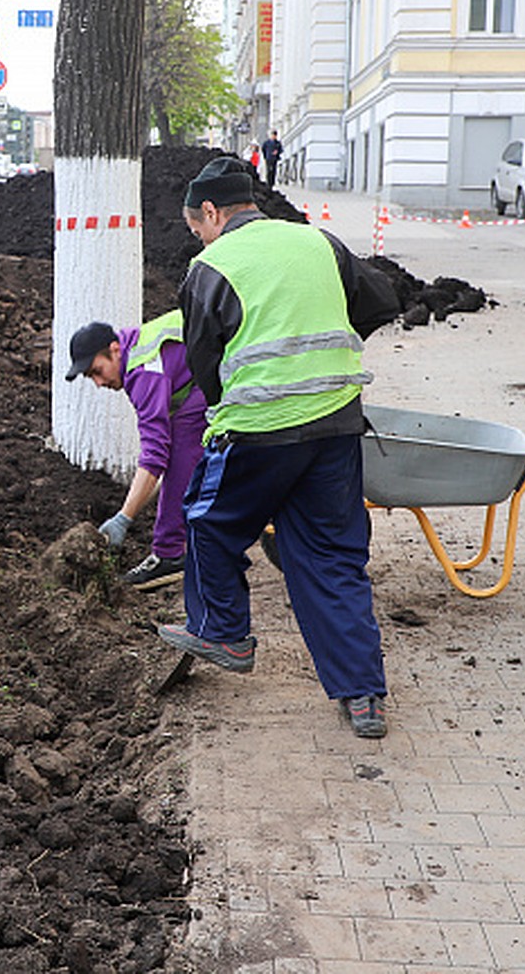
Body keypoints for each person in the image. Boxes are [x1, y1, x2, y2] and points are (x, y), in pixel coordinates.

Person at [159, 155, 400, 739]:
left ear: (211, 212)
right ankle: (363, 698)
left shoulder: (211, 266)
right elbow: (380, 302)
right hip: (337, 424)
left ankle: (223, 633)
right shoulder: (319, 242)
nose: (200, 237)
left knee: (208, 522)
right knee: (332, 557)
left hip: (258, 430)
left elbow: (205, 367)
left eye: (198, 226)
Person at [64, 315, 207, 589]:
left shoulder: (143, 372)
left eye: (97, 371)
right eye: (89, 377)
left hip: (231, 366)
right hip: (215, 366)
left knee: (178, 452)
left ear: (115, 349)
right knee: (184, 448)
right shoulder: (139, 349)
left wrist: (124, 518)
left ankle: (169, 554)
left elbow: (155, 457)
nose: (98, 383)